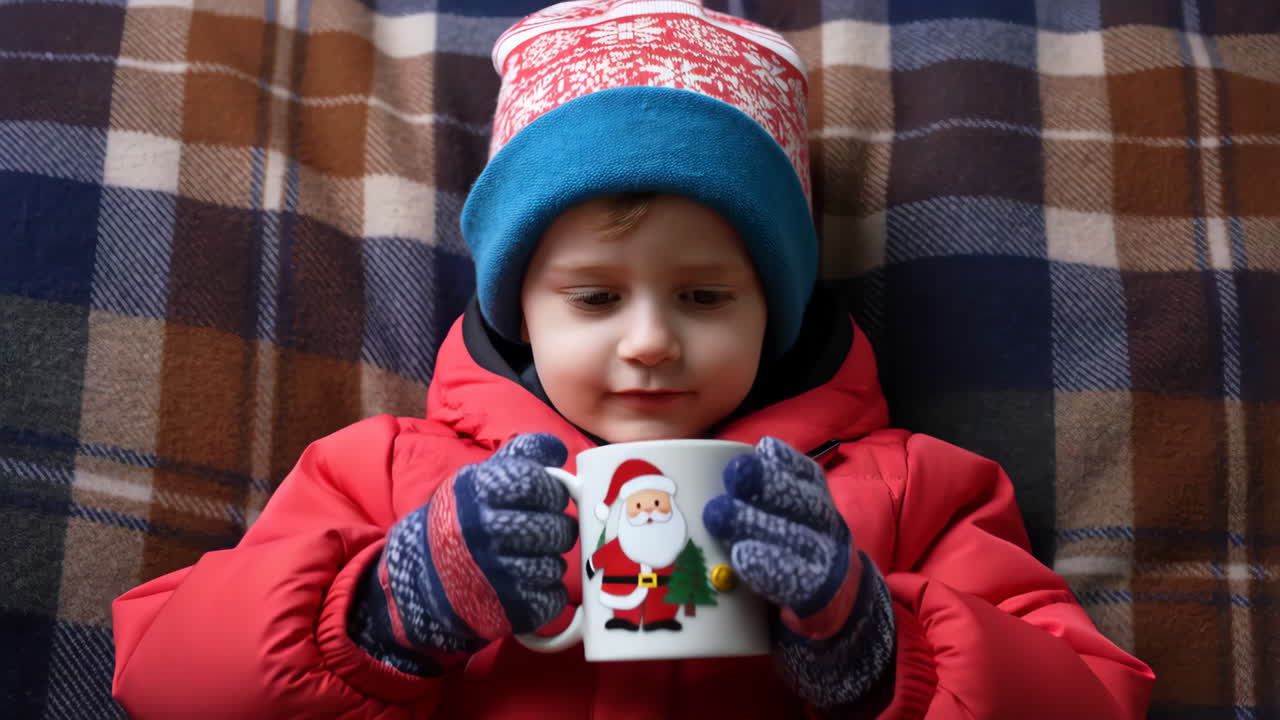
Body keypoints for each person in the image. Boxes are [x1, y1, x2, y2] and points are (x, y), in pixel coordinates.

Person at [111, 1, 1155, 718]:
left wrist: (876, 646)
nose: (649, 339)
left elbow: (1092, 695)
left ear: (775, 310)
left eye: (704, 296)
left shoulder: (911, 490)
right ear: (519, 303)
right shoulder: (389, 473)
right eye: (596, 298)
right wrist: (391, 608)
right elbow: (165, 677)